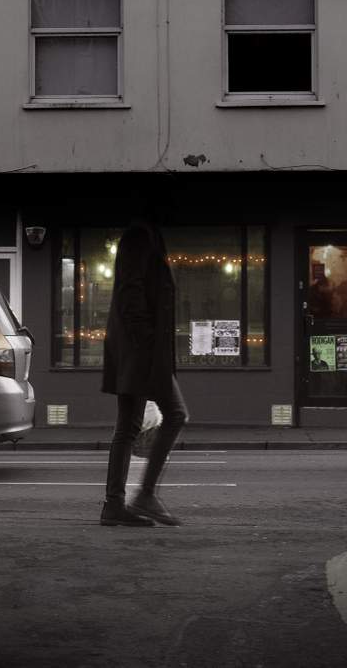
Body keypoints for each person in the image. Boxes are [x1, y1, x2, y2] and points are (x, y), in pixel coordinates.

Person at [99, 197, 189, 527]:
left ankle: (115, 505)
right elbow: (130, 294)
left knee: (127, 429)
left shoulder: (145, 235)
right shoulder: (139, 237)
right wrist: (148, 347)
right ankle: (145, 495)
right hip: (141, 354)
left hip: (138, 352)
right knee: (176, 414)